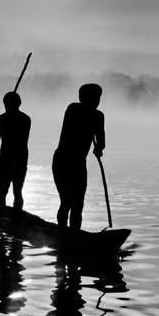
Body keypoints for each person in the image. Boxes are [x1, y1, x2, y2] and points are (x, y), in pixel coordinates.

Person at [52, 83, 105, 229]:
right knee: (67, 201)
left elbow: (101, 142)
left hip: (79, 164)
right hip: (62, 160)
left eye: (98, 98)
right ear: (82, 98)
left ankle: (75, 233)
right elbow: (81, 121)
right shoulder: (73, 108)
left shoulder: (99, 116)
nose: (97, 101)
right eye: (94, 98)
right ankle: (62, 231)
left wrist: (99, 148)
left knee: (78, 203)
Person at [0, 91, 31, 211]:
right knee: (10, 191)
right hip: (14, 158)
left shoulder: (6, 119)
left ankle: (15, 214)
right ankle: (6, 214)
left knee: (11, 191)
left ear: (6, 104)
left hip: (13, 158)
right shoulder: (24, 119)